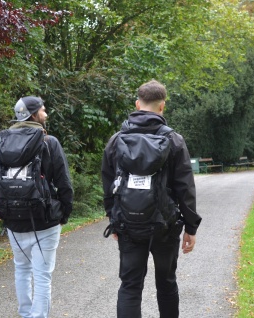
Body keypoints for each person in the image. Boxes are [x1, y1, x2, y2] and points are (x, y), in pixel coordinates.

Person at [101, 80, 202, 318]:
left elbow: (108, 184)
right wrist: (191, 227)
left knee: (130, 286)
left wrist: (114, 219)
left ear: (137, 104)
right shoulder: (174, 140)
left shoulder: (117, 140)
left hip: (129, 223)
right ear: (162, 107)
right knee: (166, 283)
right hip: (164, 226)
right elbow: (185, 187)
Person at [0, 96, 73, 318]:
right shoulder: (48, 142)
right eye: (43, 110)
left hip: (14, 219)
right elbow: (64, 183)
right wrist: (64, 212)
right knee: (42, 275)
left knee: (21, 269)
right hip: (44, 219)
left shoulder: (3, 141)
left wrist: (1, 210)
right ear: (34, 115)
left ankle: (26, 314)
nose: (46, 114)